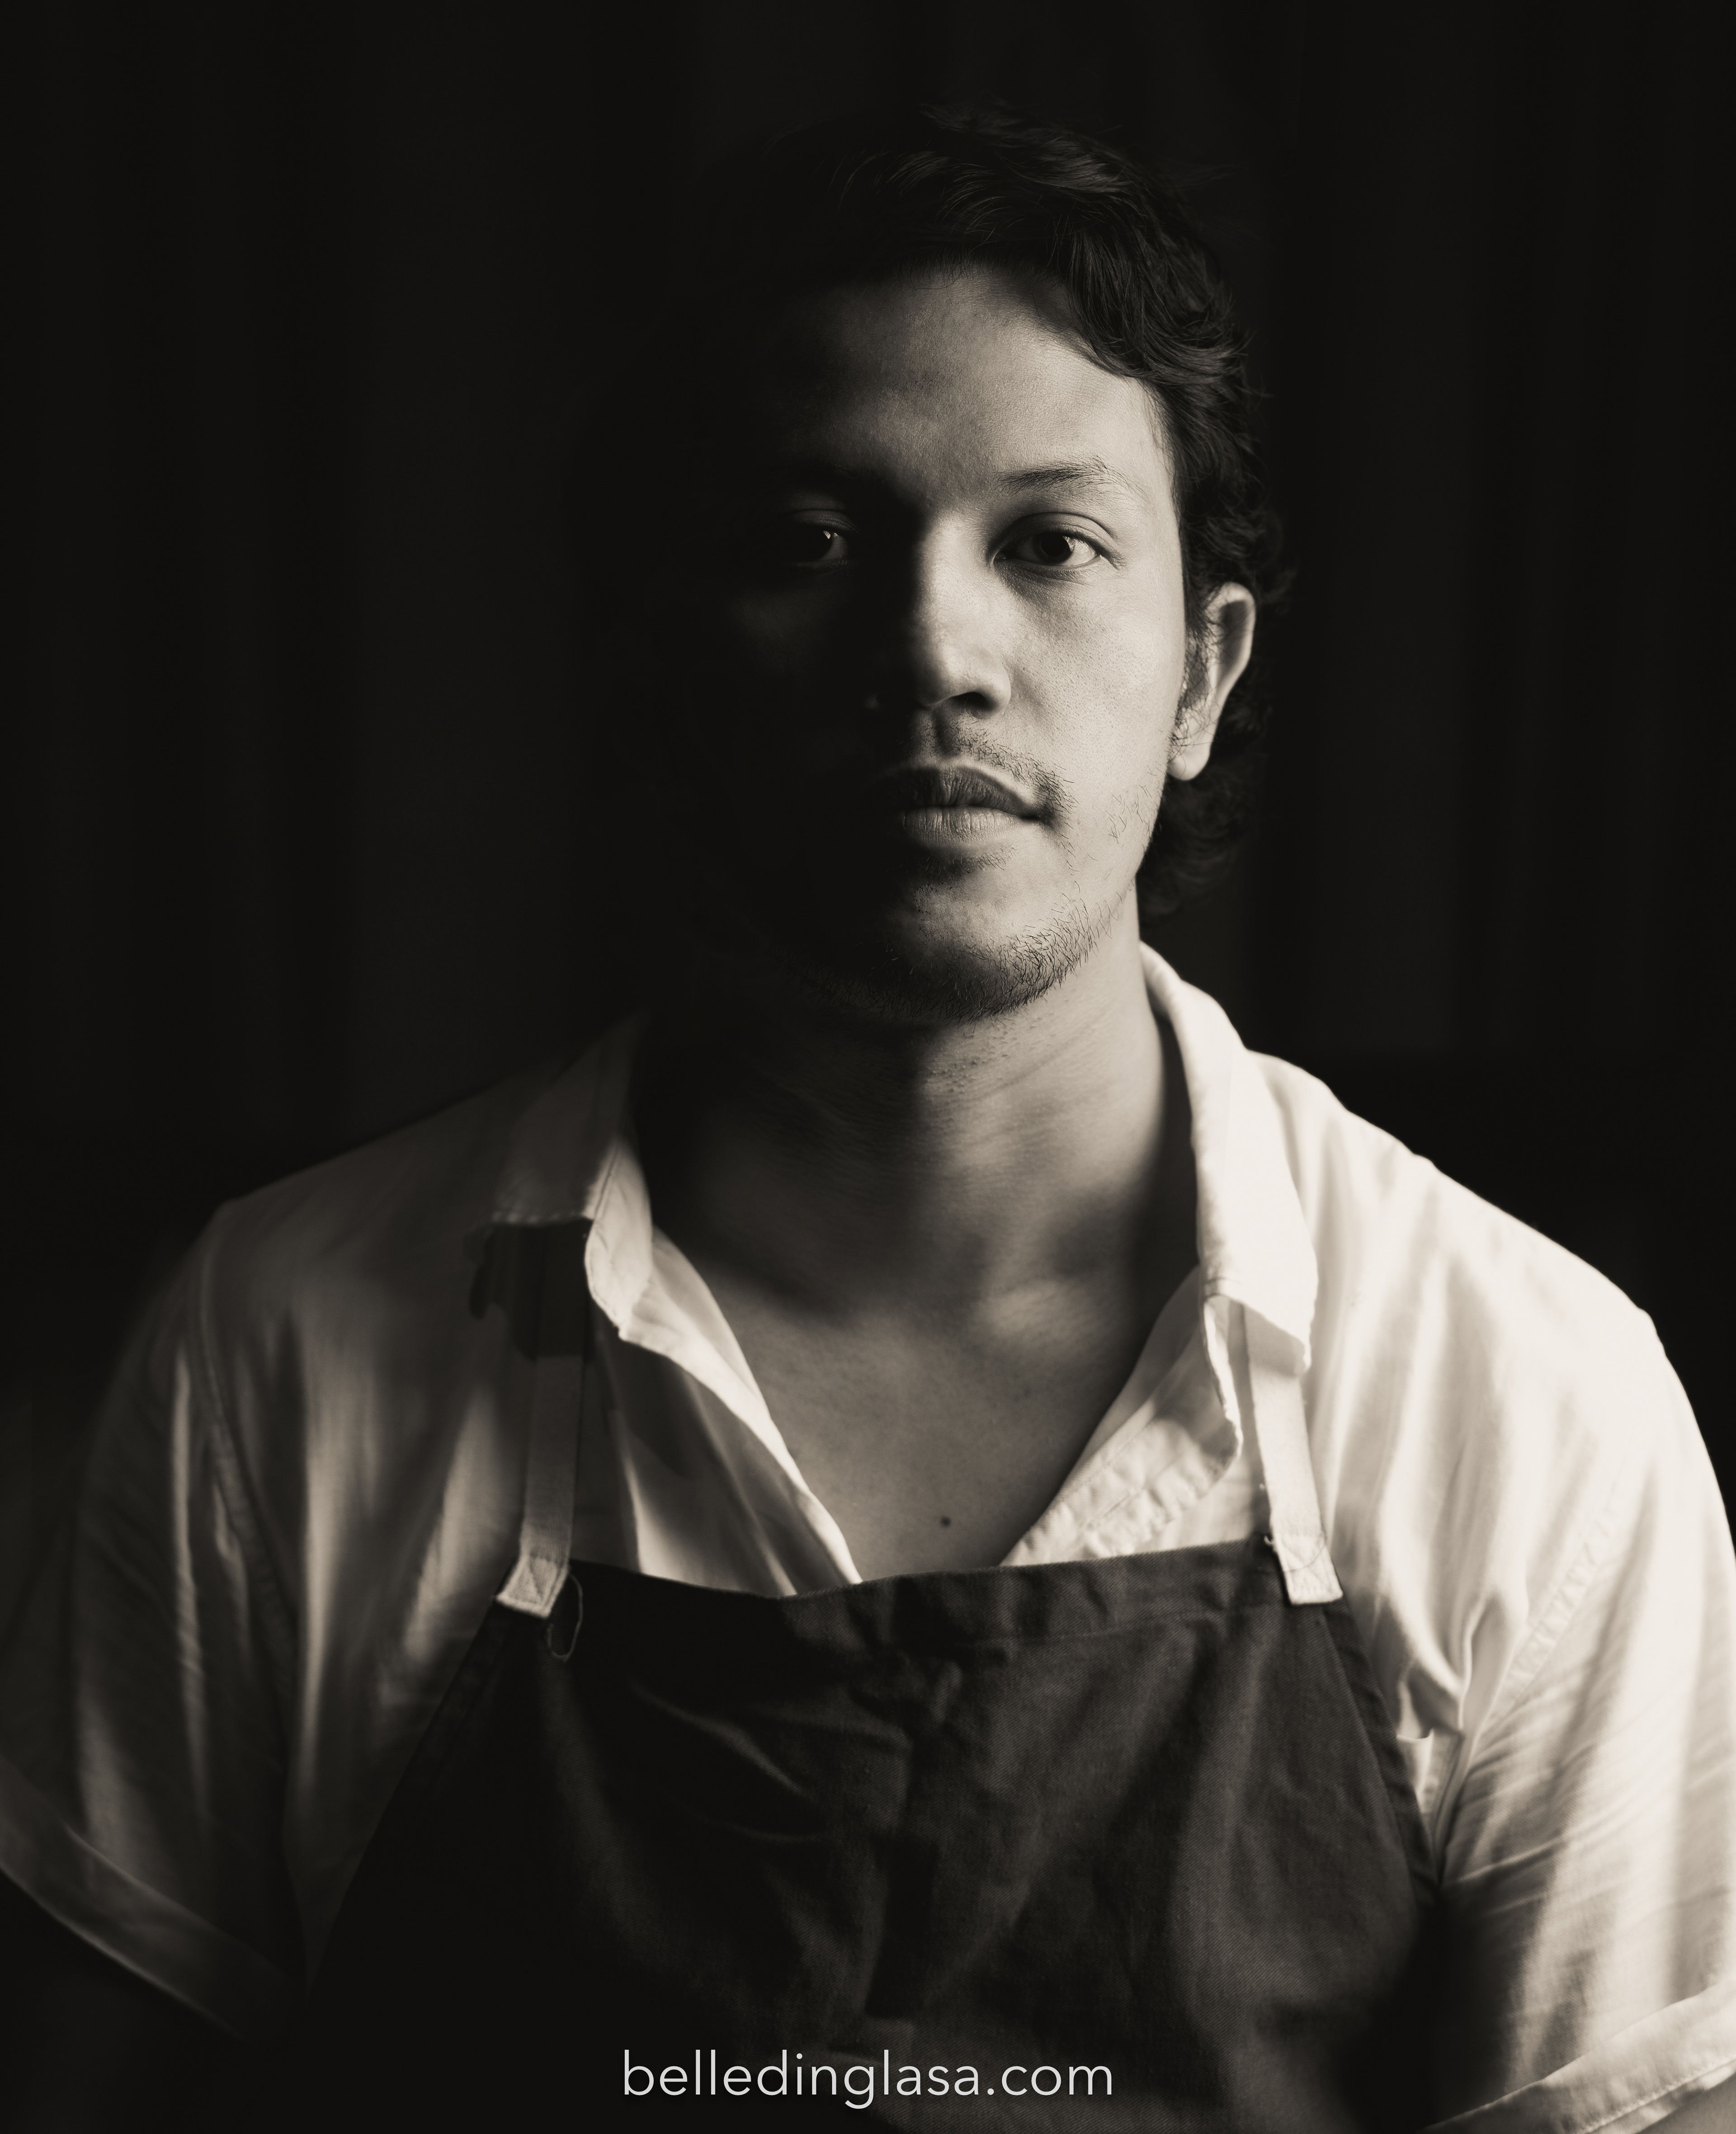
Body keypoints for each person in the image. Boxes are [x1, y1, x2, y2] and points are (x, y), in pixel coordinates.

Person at [2, 104, 1733, 2132]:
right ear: (662, 665)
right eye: (809, 541)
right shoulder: (280, 1344)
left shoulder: (1522, 1393)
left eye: (1050, 544)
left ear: (1201, 676)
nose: (933, 650)